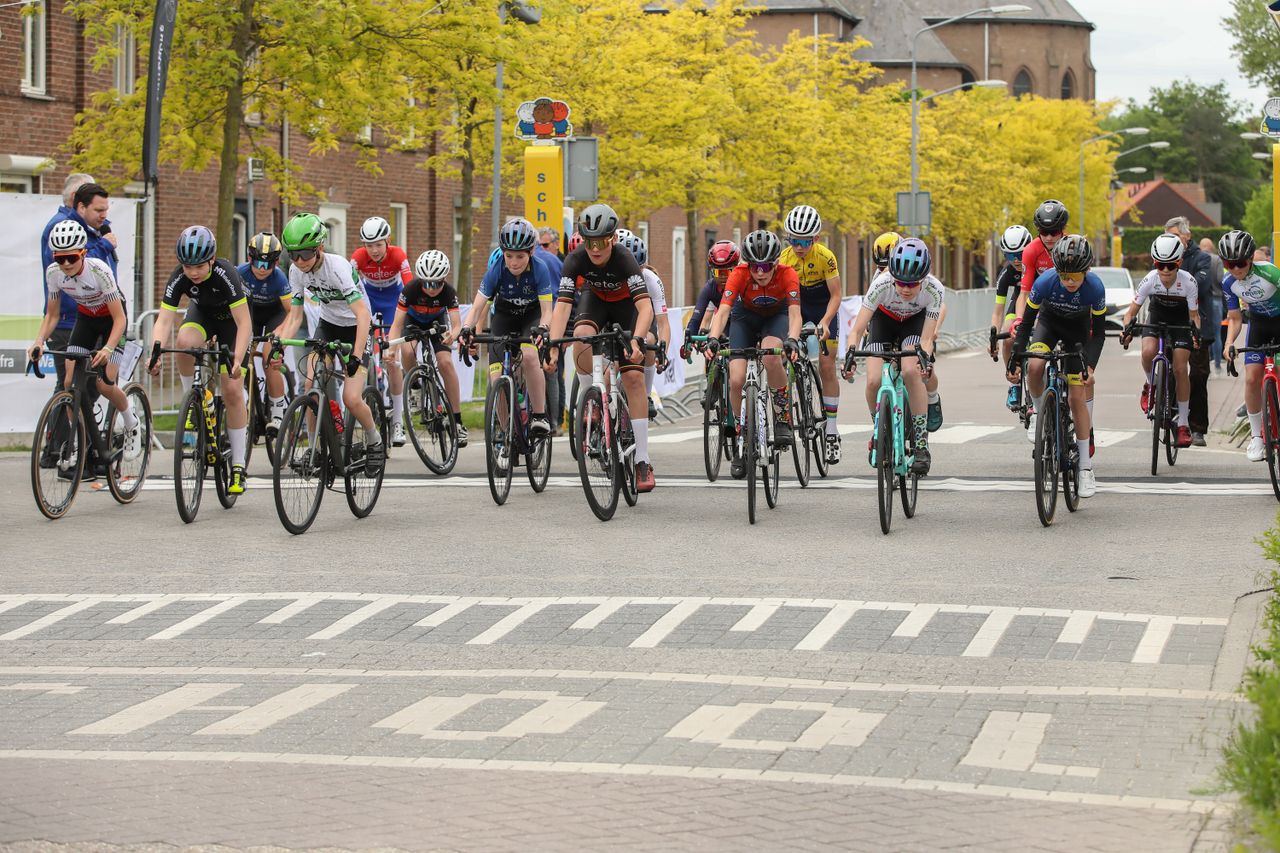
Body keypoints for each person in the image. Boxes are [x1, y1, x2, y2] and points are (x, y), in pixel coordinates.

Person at [548, 203, 656, 491]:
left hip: (626, 308)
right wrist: (553, 346)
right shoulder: (575, 259)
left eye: (602, 242)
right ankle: (592, 400)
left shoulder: (624, 259)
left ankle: (642, 460)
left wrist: (637, 339)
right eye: (589, 242)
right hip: (595, 301)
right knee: (581, 337)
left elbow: (645, 308)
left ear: (614, 239)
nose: (595, 249)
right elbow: (562, 307)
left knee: (633, 377)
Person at [29, 220, 142, 479]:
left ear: (83, 253)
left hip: (113, 321)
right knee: (70, 384)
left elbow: (120, 319)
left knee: (104, 384)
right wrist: (38, 341)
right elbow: (52, 315)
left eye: (71, 257)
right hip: (86, 319)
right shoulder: (53, 273)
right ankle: (78, 441)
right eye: (60, 258)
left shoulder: (99, 270)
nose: (66, 264)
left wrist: (109, 348)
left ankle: (131, 422)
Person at [275, 212, 385, 475]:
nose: (300, 261)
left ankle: (375, 440)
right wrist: (280, 344)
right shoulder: (296, 271)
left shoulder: (337, 268)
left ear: (320, 247)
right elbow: (296, 316)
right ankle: (315, 449)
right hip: (329, 325)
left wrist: (356, 355)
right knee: (311, 385)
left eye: (306, 254)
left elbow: (362, 315)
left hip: (356, 327)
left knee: (351, 398)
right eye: (294, 254)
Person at [149, 225, 254, 494]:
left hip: (233, 323)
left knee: (232, 389)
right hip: (203, 315)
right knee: (184, 343)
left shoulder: (225, 274)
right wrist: (155, 350)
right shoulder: (179, 277)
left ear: (211, 260)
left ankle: (239, 465)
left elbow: (244, 323)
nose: (193, 273)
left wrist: (237, 359)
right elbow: (164, 320)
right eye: (187, 267)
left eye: (199, 266)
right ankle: (193, 400)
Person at [1008, 234, 1105, 498]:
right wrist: (1016, 359)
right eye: (1064, 276)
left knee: (1076, 396)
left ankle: (1085, 467)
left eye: (1075, 276)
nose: (1069, 282)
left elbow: (1098, 335)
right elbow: (1026, 325)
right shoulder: (1045, 282)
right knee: (1035, 366)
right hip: (1049, 324)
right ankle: (1041, 414)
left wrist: (1090, 367)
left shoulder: (1095, 288)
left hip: (1078, 332)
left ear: (1086, 271)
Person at [704, 229, 802, 479]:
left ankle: (782, 417)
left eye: (766, 266)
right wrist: (713, 338)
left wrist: (792, 339)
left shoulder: (788, 274)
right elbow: (723, 312)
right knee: (736, 379)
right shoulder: (739, 273)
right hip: (745, 318)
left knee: (770, 357)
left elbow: (794, 314)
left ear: (776, 263)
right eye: (754, 266)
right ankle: (742, 436)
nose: (759, 272)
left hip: (776, 317)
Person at [841, 237, 943, 476]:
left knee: (910, 371)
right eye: (900, 283)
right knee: (873, 380)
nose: (906, 289)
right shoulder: (881, 284)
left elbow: (927, 339)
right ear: (892, 277)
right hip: (883, 321)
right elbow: (857, 330)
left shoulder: (934, 289)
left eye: (913, 284)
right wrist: (850, 354)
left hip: (914, 322)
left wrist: (924, 359)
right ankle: (880, 430)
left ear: (924, 279)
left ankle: (921, 444)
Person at [460, 218, 554, 440]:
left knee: (529, 356)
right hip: (504, 317)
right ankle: (505, 435)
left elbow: (547, 311)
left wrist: (543, 328)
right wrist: (466, 329)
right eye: (509, 255)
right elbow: (477, 307)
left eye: (520, 256)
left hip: (531, 317)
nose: (513, 262)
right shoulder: (497, 269)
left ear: (531, 252)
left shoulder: (540, 269)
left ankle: (539, 415)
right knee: (495, 377)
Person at [1119, 234, 1201, 448]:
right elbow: (1130, 313)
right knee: (1148, 352)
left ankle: (1183, 424)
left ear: (1179, 263)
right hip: (1156, 316)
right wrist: (1126, 329)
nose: (1165, 270)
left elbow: (1194, 316)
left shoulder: (1189, 282)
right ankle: (1151, 383)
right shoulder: (1150, 279)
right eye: (1159, 265)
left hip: (1181, 321)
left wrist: (1196, 335)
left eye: (1170, 265)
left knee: (1181, 368)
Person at [778, 204, 844, 464]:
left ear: (816, 238)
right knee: (781, 355)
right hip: (797, 304)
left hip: (822, 305)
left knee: (827, 365)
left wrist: (825, 322)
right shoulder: (784, 259)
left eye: (804, 241)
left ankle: (832, 431)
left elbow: (836, 295)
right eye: (793, 240)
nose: (798, 246)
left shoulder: (826, 257)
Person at [390, 250, 466, 447]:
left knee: (445, 363)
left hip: (437, 322)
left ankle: (457, 421)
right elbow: (396, 324)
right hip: (413, 321)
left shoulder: (449, 292)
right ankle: (415, 387)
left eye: (436, 284)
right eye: (427, 284)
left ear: (444, 279)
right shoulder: (410, 290)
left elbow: (457, 324)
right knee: (407, 351)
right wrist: (391, 349)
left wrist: (453, 335)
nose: (431, 289)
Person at [351, 216, 413, 447]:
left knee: (392, 361)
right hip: (369, 299)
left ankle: (397, 421)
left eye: (378, 244)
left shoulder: (398, 255)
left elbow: (409, 285)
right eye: (369, 245)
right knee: (362, 350)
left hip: (392, 301)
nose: (374, 250)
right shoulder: (358, 257)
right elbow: (347, 283)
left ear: (388, 241)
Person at [1220, 230, 1280, 461]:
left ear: (1251, 258)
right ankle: (1257, 437)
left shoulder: (1270, 272)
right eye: (1229, 264)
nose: (1235, 269)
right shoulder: (1228, 283)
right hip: (1258, 325)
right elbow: (1235, 318)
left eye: (1240, 263)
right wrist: (1229, 343)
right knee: (1252, 378)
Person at [38, 173, 100, 391]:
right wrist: (105, 245)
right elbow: (81, 267)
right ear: (76, 199)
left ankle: (79, 414)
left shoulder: (86, 226)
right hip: (70, 319)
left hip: (89, 315)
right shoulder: (64, 226)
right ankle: (64, 415)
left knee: (89, 385)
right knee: (71, 386)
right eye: (90, 197)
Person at [236, 232, 292, 435]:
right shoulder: (240, 273)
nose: (262, 269)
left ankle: (277, 412)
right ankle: (243, 400)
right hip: (250, 314)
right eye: (258, 263)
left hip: (274, 316)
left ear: (276, 263)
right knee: (239, 353)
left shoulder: (279, 278)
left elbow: (290, 311)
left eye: (268, 264)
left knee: (269, 356)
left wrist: (279, 333)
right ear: (249, 259)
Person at [1166, 217, 1213, 446]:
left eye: (1175, 236)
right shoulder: (1164, 256)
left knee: (1198, 375)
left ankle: (1198, 428)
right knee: (1169, 370)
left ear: (1187, 236)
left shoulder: (1202, 258)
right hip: (1170, 322)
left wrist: (1177, 281)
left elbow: (1201, 286)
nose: (1171, 241)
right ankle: (1169, 415)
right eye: (1168, 236)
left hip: (1196, 323)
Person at [989, 225, 1032, 409]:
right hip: (1018, 303)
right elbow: (998, 311)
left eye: (1020, 254)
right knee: (1008, 335)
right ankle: (1014, 383)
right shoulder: (1007, 273)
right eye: (1010, 255)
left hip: (1040, 303)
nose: (1016, 260)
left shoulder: (1039, 265)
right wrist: (993, 338)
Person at [1199, 237, 1225, 371]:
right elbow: (1221, 279)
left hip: (1202, 300)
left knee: (1202, 333)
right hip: (1216, 299)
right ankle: (1217, 364)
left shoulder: (1198, 259)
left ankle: (1204, 363)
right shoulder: (1217, 259)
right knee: (1216, 334)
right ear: (1212, 246)